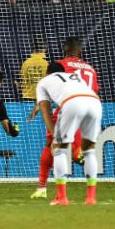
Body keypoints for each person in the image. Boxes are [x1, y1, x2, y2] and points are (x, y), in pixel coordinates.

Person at [30, 37, 98, 199]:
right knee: (60, 146)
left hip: (67, 107)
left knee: (54, 146)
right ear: (80, 51)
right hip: (90, 108)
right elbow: (94, 90)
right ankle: (44, 188)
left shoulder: (61, 65)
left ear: (64, 50)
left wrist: (39, 105)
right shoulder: (91, 69)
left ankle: (53, 191)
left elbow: (51, 86)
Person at [16, 36, 49, 101]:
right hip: (43, 99)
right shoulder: (48, 63)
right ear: (45, 48)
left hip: (27, 99)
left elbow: (18, 84)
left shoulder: (24, 63)